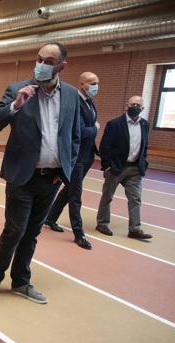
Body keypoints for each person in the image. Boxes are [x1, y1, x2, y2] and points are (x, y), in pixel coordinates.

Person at [0, 42, 80, 304]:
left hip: (51, 179)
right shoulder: (17, 90)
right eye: (39, 59)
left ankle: (21, 282)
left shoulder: (71, 96)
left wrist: (64, 167)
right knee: (14, 230)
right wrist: (14, 106)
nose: (42, 65)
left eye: (49, 61)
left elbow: (74, 137)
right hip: (21, 177)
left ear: (62, 66)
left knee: (32, 232)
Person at [45, 72, 100, 250]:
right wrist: (95, 129)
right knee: (75, 195)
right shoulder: (74, 102)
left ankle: (50, 218)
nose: (95, 86)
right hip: (75, 158)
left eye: (97, 83)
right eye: (92, 83)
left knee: (68, 190)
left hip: (87, 156)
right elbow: (78, 130)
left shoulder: (90, 102)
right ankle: (79, 233)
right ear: (82, 84)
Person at [96, 96, 152, 240]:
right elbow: (104, 147)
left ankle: (135, 229)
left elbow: (144, 146)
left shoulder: (145, 125)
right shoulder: (114, 124)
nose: (135, 107)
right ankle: (102, 223)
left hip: (135, 169)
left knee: (135, 198)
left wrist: (143, 164)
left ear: (143, 108)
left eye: (138, 105)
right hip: (116, 167)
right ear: (126, 106)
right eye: (132, 104)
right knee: (107, 196)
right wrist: (107, 166)